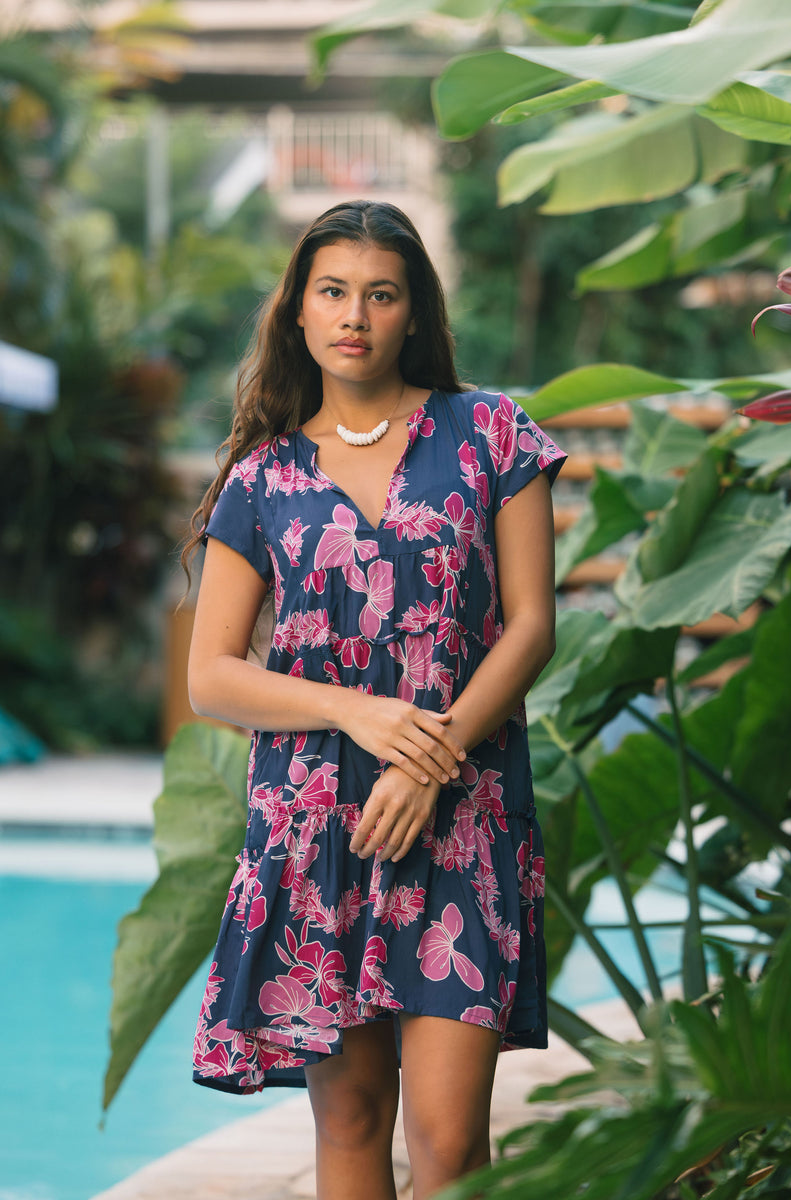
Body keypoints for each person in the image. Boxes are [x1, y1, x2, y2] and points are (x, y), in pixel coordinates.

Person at [183, 199, 566, 1200]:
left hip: (461, 813)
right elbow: (211, 674)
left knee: (447, 1141)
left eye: (381, 294)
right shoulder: (261, 479)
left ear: (411, 313)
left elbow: (529, 626)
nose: (355, 314)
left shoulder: (488, 432)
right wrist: (357, 714)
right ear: (299, 315)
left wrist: (423, 758)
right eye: (333, 292)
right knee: (348, 1122)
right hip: (316, 827)